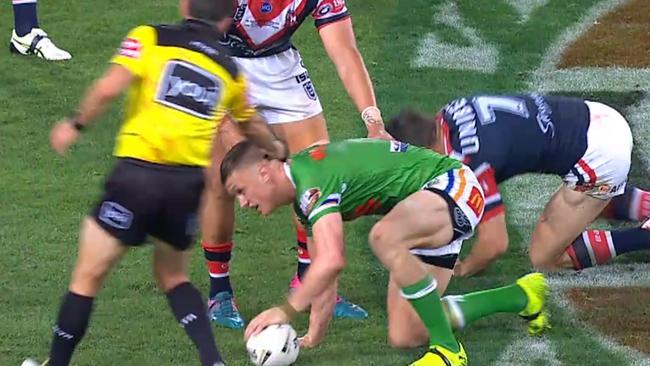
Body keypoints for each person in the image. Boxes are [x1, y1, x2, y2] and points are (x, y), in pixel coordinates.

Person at [41, 0, 287, 365]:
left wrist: (75, 124)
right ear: (227, 19)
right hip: (186, 187)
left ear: (184, 4)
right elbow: (249, 125)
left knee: (88, 276)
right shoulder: (230, 70)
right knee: (173, 276)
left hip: (137, 176)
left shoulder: (152, 37)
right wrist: (278, 147)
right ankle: (213, 360)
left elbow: (109, 89)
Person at [220, 138, 549, 366]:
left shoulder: (311, 184)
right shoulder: (304, 198)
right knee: (406, 332)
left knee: (383, 236)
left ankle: (448, 350)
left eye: (241, 191)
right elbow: (326, 268)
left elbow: (335, 258)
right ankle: (521, 296)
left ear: (263, 172)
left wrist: (285, 311)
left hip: (451, 186)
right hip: (423, 210)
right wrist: (311, 336)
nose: (243, 203)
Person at [201, 0, 392, 329]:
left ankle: (311, 281)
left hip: (281, 69)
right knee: (222, 182)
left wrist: (373, 119)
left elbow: (345, 51)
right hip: (220, 66)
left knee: (316, 174)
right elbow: (199, 44)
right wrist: (229, 130)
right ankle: (219, 291)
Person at [386, 94, 650, 277]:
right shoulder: (449, 111)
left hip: (599, 157)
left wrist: (465, 269)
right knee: (587, 205)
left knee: (543, 257)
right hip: (599, 116)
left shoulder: (469, 162)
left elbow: (495, 243)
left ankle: (643, 236)